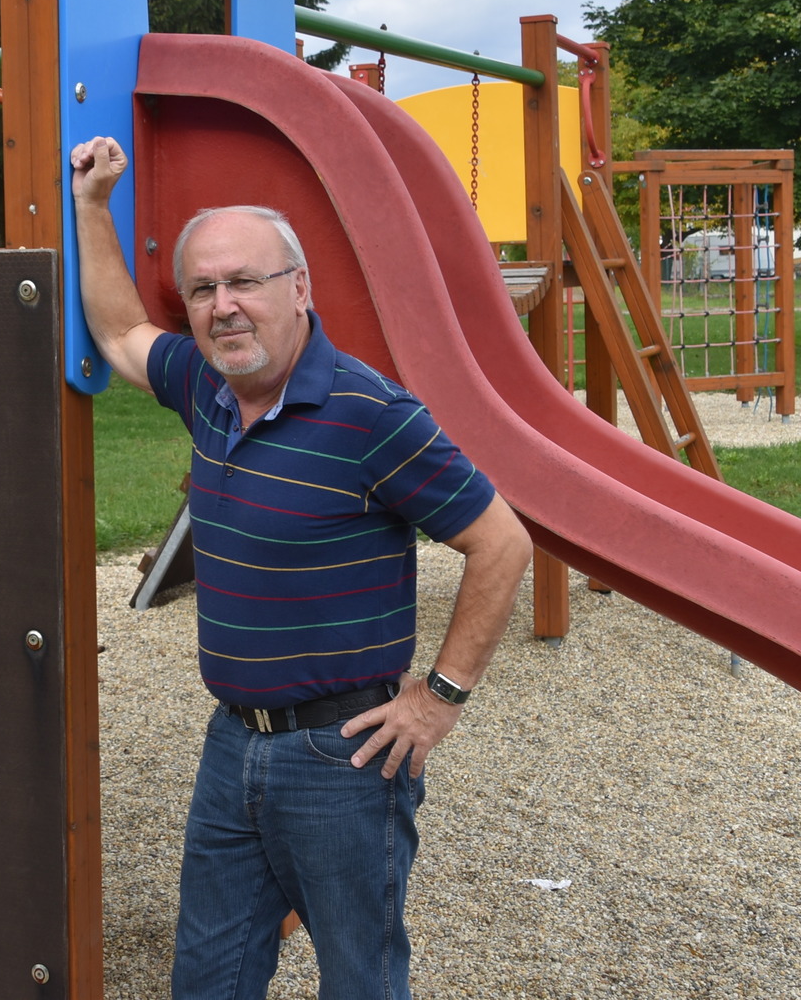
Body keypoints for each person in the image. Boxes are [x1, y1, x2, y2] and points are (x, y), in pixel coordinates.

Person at [68, 135, 532, 1000]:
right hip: (231, 742)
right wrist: (93, 207)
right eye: (204, 288)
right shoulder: (207, 387)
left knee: (359, 979)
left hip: (344, 758)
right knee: (209, 977)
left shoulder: (370, 415)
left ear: (300, 289)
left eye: (246, 281)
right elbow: (123, 330)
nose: (223, 306)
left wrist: (439, 699)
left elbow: (502, 542)